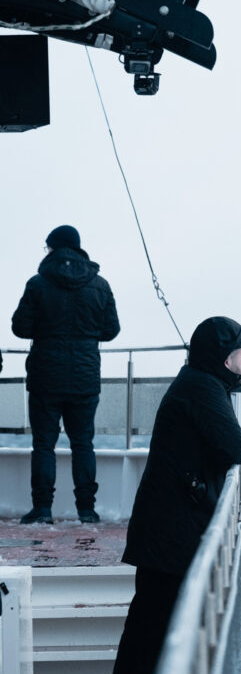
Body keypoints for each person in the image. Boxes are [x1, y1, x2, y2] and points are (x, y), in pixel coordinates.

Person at [100, 316, 241, 674]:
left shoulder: (199, 383)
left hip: (168, 522)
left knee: (154, 615)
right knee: (151, 617)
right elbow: (234, 447)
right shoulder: (202, 389)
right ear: (223, 358)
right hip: (170, 527)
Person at [11, 225, 120, 524]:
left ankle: (43, 510)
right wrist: (85, 334)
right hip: (85, 377)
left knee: (44, 444)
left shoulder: (37, 283)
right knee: (83, 444)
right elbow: (111, 331)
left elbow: (20, 327)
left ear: (53, 249)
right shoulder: (100, 284)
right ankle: (87, 510)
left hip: (46, 376)